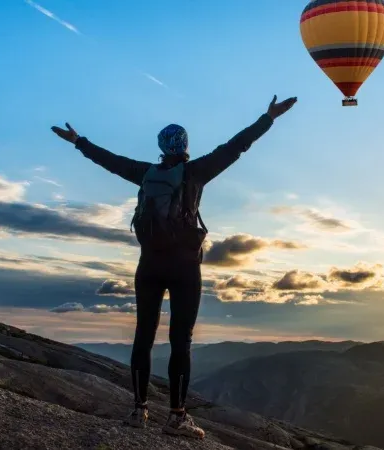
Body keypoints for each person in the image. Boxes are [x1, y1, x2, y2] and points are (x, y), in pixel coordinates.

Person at [51, 95, 297, 439]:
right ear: (185, 146)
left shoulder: (144, 173)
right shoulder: (196, 172)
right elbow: (236, 146)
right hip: (184, 268)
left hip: (148, 265)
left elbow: (110, 161)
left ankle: (138, 411)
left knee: (143, 337)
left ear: (160, 147)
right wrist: (269, 117)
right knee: (181, 341)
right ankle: (177, 418)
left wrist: (79, 141)